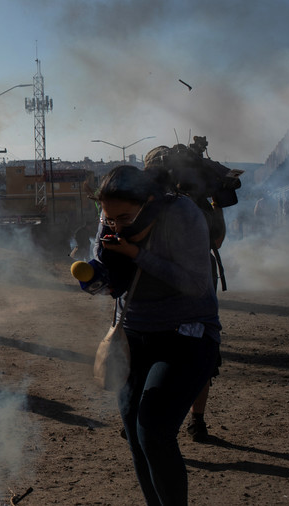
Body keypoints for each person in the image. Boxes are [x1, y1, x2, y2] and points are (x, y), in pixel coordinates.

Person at [90, 165, 221, 505]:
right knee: (135, 435)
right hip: (132, 336)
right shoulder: (111, 216)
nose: (115, 225)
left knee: (153, 431)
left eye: (124, 217)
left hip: (186, 335)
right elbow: (110, 275)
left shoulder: (181, 214)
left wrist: (136, 254)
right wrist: (96, 280)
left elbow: (195, 284)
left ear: (149, 201)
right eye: (109, 218)